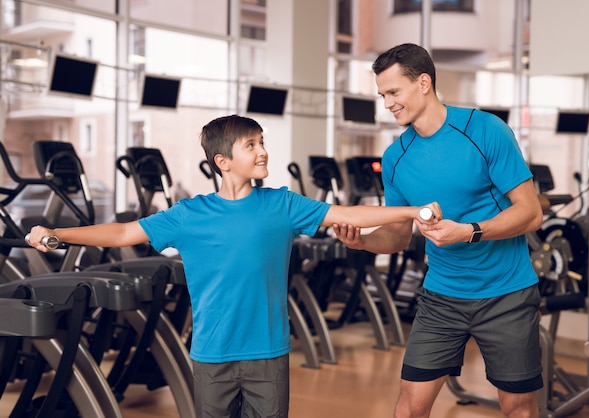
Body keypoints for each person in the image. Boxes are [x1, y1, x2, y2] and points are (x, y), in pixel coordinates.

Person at [26, 114, 441, 418]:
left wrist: (411, 211)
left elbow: (347, 214)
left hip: (269, 354)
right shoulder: (189, 214)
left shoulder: (282, 203)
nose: (263, 151)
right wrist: (60, 235)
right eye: (251, 145)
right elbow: (121, 234)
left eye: (262, 142)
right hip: (212, 355)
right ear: (223, 161)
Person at [333, 43, 544, 418]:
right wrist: (362, 241)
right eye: (383, 95)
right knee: (409, 408)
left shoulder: (484, 130)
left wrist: (468, 232)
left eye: (394, 92)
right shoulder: (396, 158)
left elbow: (530, 214)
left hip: (506, 293)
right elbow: (398, 236)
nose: (388, 104)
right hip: (442, 298)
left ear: (424, 82)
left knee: (519, 409)